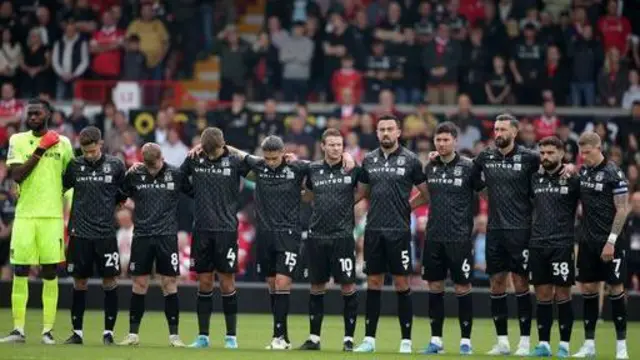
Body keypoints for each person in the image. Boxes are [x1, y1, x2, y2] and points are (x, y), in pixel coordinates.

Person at [353, 114, 429, 354]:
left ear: (398, 133)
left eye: (390, 129)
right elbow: (362, 193)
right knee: (373, 282)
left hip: (399, 231)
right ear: (377, 133)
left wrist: (408, 207)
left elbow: (426, 193)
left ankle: (406, 340)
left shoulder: (411, 160)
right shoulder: (368, 160)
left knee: (401, 283)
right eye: (381, 129)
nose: (385, 133)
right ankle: (369, 340)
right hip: (373, 229)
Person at [0, 99, 74, 344]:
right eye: (29, 113)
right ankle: (18, 330)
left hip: (52, 217)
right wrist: (41, 148)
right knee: (20, 270)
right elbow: (17, 175)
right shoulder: (17, 140)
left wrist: (66, 207)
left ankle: (47, 331)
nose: (32, 116)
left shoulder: (63, 143)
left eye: (37, 112)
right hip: (25, 216)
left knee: (50, 272)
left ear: (48, 114)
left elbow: (71, 178)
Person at [411, 122, 483, 355]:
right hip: (433, 237)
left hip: (460, 238)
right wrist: (406, 207)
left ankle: (466, 341)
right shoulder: (430, 167)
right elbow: (424, 196)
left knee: (463, 287)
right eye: (438, 140)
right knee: (435, 287)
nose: (441, 144)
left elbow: (484, 194)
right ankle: (436, 340)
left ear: (455, 141)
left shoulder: (469, 167)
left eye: (445, 140)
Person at [472, 114, 540, 356]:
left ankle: (524, 342)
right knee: (496, 283)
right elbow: (470, 176)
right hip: (494, 230)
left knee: (521, 283)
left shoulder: (530, 158)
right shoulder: (485, 156)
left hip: (521, 230)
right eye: (496, 129)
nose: (498, 133)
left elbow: (551, 170)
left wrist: (568, 167)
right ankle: (501, 342)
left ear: (515, 131)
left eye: (502, 129)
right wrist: (487, 196)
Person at [180, 127, 249, 349]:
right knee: (204, 282)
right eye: (207, 151)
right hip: (201, 230)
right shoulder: (194, 159)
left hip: (226, 230)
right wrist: (195, 194)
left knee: (227, 282)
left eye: (215, 151)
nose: (210, 155)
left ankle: (231, 337)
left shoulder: (235, 161)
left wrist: (232, 149)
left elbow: (258, 164)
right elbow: (177, 178)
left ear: (224, 145)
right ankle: (203, 337)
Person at [118, 143, 191, 347]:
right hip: (141, 235)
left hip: (166, 237)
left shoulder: (176, 174)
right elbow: (119, 196)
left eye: (155, 165)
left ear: (162, 158)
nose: (152, 169)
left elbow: (193, 192)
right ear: (143, 161)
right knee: (139, 284)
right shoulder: (134, 174)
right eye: (148, 166)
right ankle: (133, 335)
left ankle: (174, 336)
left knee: (169, 284)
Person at [62, 126, 127, 345]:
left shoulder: (116, 165)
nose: (88, 155)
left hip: (106, 234)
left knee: (110, 281)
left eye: (92, 150)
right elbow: (60, 188)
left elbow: (123, 194)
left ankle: (108, 333)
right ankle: (77, 332)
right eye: (85, 151)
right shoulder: (74, 166)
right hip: (79, 233)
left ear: (100, 144)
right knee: (79, 282)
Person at [297, 128, 360, 351]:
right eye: (331, 144)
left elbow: (365, 189)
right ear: (323, 146)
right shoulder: (313, 169)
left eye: (339, 145)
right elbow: (309, 194)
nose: (335, 148)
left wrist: (347, 206)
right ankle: (314, 338)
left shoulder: (352, 169)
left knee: (348, 286)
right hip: (317, 236)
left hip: (342, 236)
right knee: (316, 286)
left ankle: (348, 340)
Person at [573, 132, 629, 359]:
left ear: (599, 148)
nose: (583, 156)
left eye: (587, 152)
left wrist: (611, 241)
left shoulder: (613, 172)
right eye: (581, 152)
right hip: (587, 240)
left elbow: (623, 208)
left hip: (610, 242)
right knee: (587, 289)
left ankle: (621, 346)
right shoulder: (584, 171)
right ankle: (589, 344)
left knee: (616, 289)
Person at [529, 136, 580, 357]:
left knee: (563, 295)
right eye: (542, 153)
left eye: (550, 153)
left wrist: (574, 168)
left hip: (562, 243)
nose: (545, 157)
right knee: (542, 295)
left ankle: (565, 346)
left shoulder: (572, 179)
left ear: (561, 153)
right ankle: (544, 344)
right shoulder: (533, 178)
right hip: (538, 243)